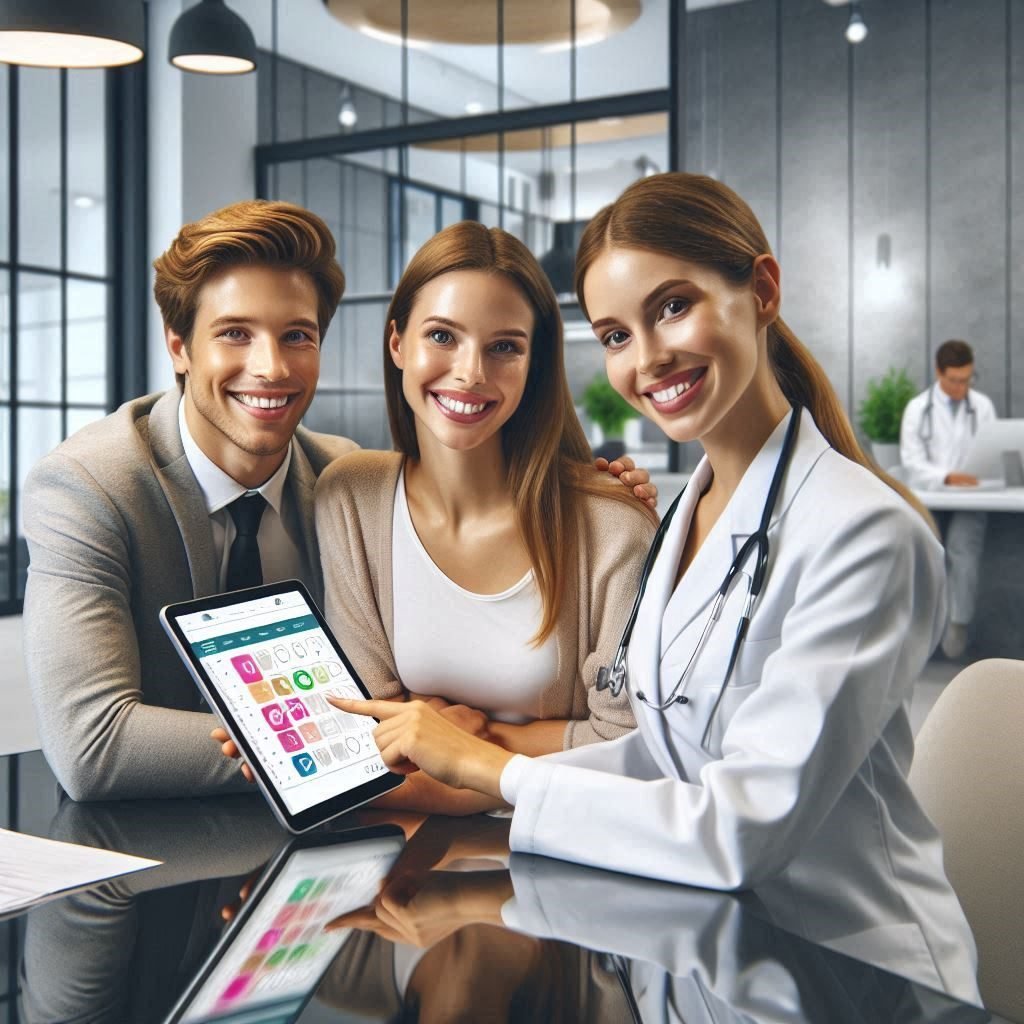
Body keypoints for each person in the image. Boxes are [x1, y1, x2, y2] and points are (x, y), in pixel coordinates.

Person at [331, 173, 980, 1004]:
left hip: (847, 974)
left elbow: (740, 830)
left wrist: (490, 768)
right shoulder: (686, 513)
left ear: (763, 291)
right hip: (699, 954)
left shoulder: (867, 534)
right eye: (614, 334)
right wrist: (468, 874)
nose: (647, 359)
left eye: (673, 307)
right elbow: (664, 754)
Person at [311, 221, 657, 815]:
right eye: (443, 336)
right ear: (398, 343)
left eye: (504, 347)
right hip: (402, 868)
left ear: (533, 364)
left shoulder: (613, 525)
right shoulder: (352, 496)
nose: (471, 372)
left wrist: (460, 742)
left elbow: (628, 744)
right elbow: (373, 716)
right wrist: (523, 744)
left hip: (566, 858)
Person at [21, 200, 359, 801]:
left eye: (296, 337)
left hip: (334, 854)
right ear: (179, 347)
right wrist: (342, 749)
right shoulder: (86, 485)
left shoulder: (347, 479)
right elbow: (93, 747)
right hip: (146, 866)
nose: (271, 367)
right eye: (235, 333)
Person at [899, 339, 997, 659]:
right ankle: (923, 631)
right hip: (930, 497)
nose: (961, 387)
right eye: (954, 380)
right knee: (929, 552)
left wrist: (973, 477)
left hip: (971, 499)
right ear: (939, 372)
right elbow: (911, 462)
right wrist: (946, 477)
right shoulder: (918, 408)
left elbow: (990, 453)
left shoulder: (981, 406)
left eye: (967, 379)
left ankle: (958, 623)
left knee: (963, 548)